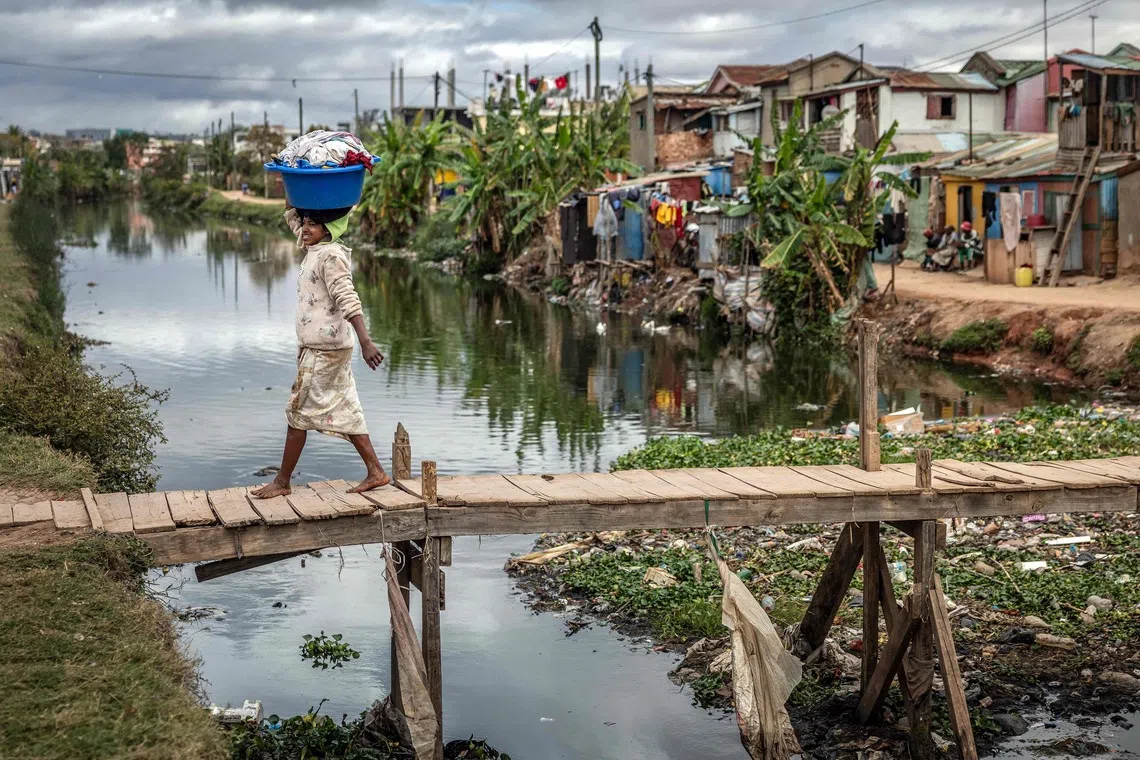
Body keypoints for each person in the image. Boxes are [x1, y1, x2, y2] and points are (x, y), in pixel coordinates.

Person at [252, 204, 390, 499]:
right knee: (347, 407)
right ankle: (376, 472)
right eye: (305, 222)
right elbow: (292, 218)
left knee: (297, 412)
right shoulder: (314, 246)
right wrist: (293, 189)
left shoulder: (331, 255)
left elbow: (346, 296)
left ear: (329, 228)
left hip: (324, 349)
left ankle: (282, 481)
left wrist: (366, 341)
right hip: (327, 346)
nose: (305, 228)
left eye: (313, 224)